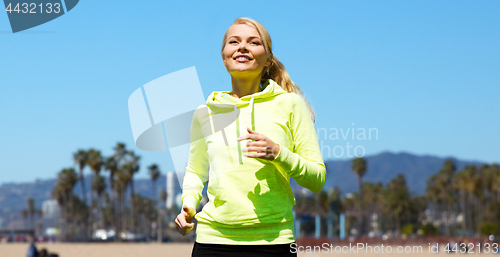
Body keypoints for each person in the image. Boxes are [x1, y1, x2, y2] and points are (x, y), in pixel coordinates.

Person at [175, 17, 326, 257]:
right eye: (234, 41)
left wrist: (279, 154)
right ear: (224, 56)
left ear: (268, 59)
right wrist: (188, 206)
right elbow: (196, 171)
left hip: (274, 243)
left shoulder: (290, 105)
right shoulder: (205, 112)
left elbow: (317, 179)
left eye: (253, 42)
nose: (242, 47)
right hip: (212, 242)